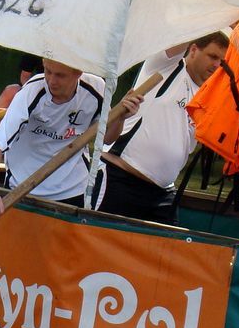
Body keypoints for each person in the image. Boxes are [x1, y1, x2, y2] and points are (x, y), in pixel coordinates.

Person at [92, 31, 230, 223]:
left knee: (164, 252)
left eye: (222, 62)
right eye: (213, 56)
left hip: (162, 194)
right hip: (120, 179)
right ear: (193, 49)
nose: (217, 65)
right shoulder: (165, 65)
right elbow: (184, 27)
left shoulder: (212, 96)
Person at [0, 59, 122, 216]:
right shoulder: (32, 91)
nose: (52, 81)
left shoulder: (96, 89)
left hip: (71, 189)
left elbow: (108, 138)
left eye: (60, 75)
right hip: (22, 184)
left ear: (78, 73)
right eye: (48, 71)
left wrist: (121, 117)